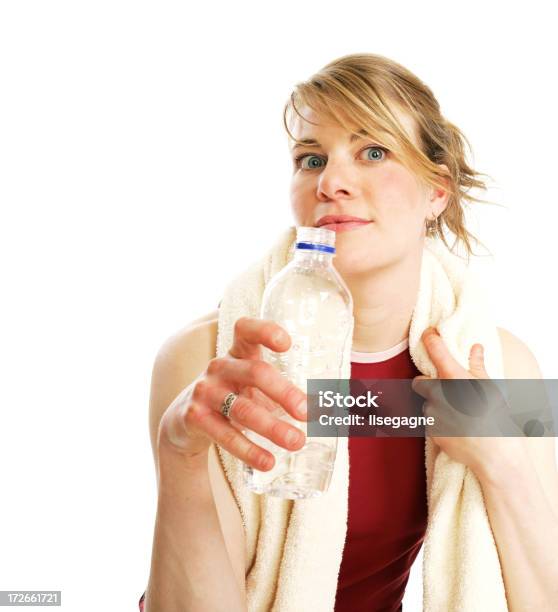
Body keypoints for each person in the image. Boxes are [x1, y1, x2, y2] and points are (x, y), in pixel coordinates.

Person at [139, 54, 558, 611]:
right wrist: (180, 455)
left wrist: (500, 460)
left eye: (374, 152)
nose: (331, 183)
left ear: (437, 192)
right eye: (311, 159)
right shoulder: (210, 359)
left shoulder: (503, 366)